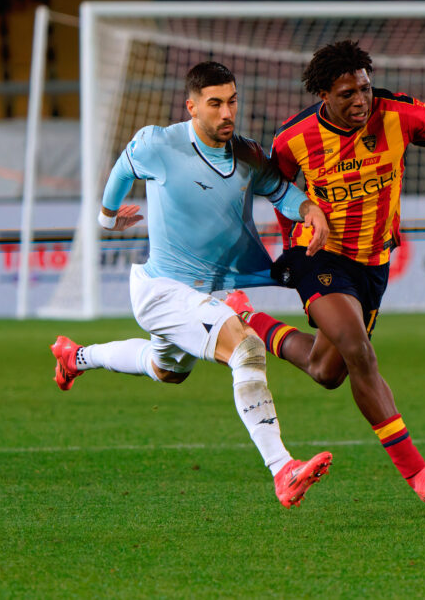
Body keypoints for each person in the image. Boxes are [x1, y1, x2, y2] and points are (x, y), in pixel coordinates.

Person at [226, 40, 425, 509]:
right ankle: (420, 476)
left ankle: (247, 319)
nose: (361, 100)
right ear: (323, 95)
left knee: (326, 371)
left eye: (364, 88)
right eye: (347, 94)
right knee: (359, 349)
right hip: (321, 256)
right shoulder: (294, 138)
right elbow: (279, 192)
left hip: (373, 262)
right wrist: (289, 249)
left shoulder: (399, 114)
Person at [49, 61, 333, 508]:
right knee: (246, 347)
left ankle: (76, 357)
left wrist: (308, 209)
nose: (227, 113)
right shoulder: (159, 144)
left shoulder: (247, 154)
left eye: (232, 101)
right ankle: (283, 469)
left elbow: (281, 191)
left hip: (203, 295)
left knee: (165, 370)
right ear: (192, 107)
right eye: (215, 104)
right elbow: (123, 169)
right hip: (162, 291)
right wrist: (107, 218)